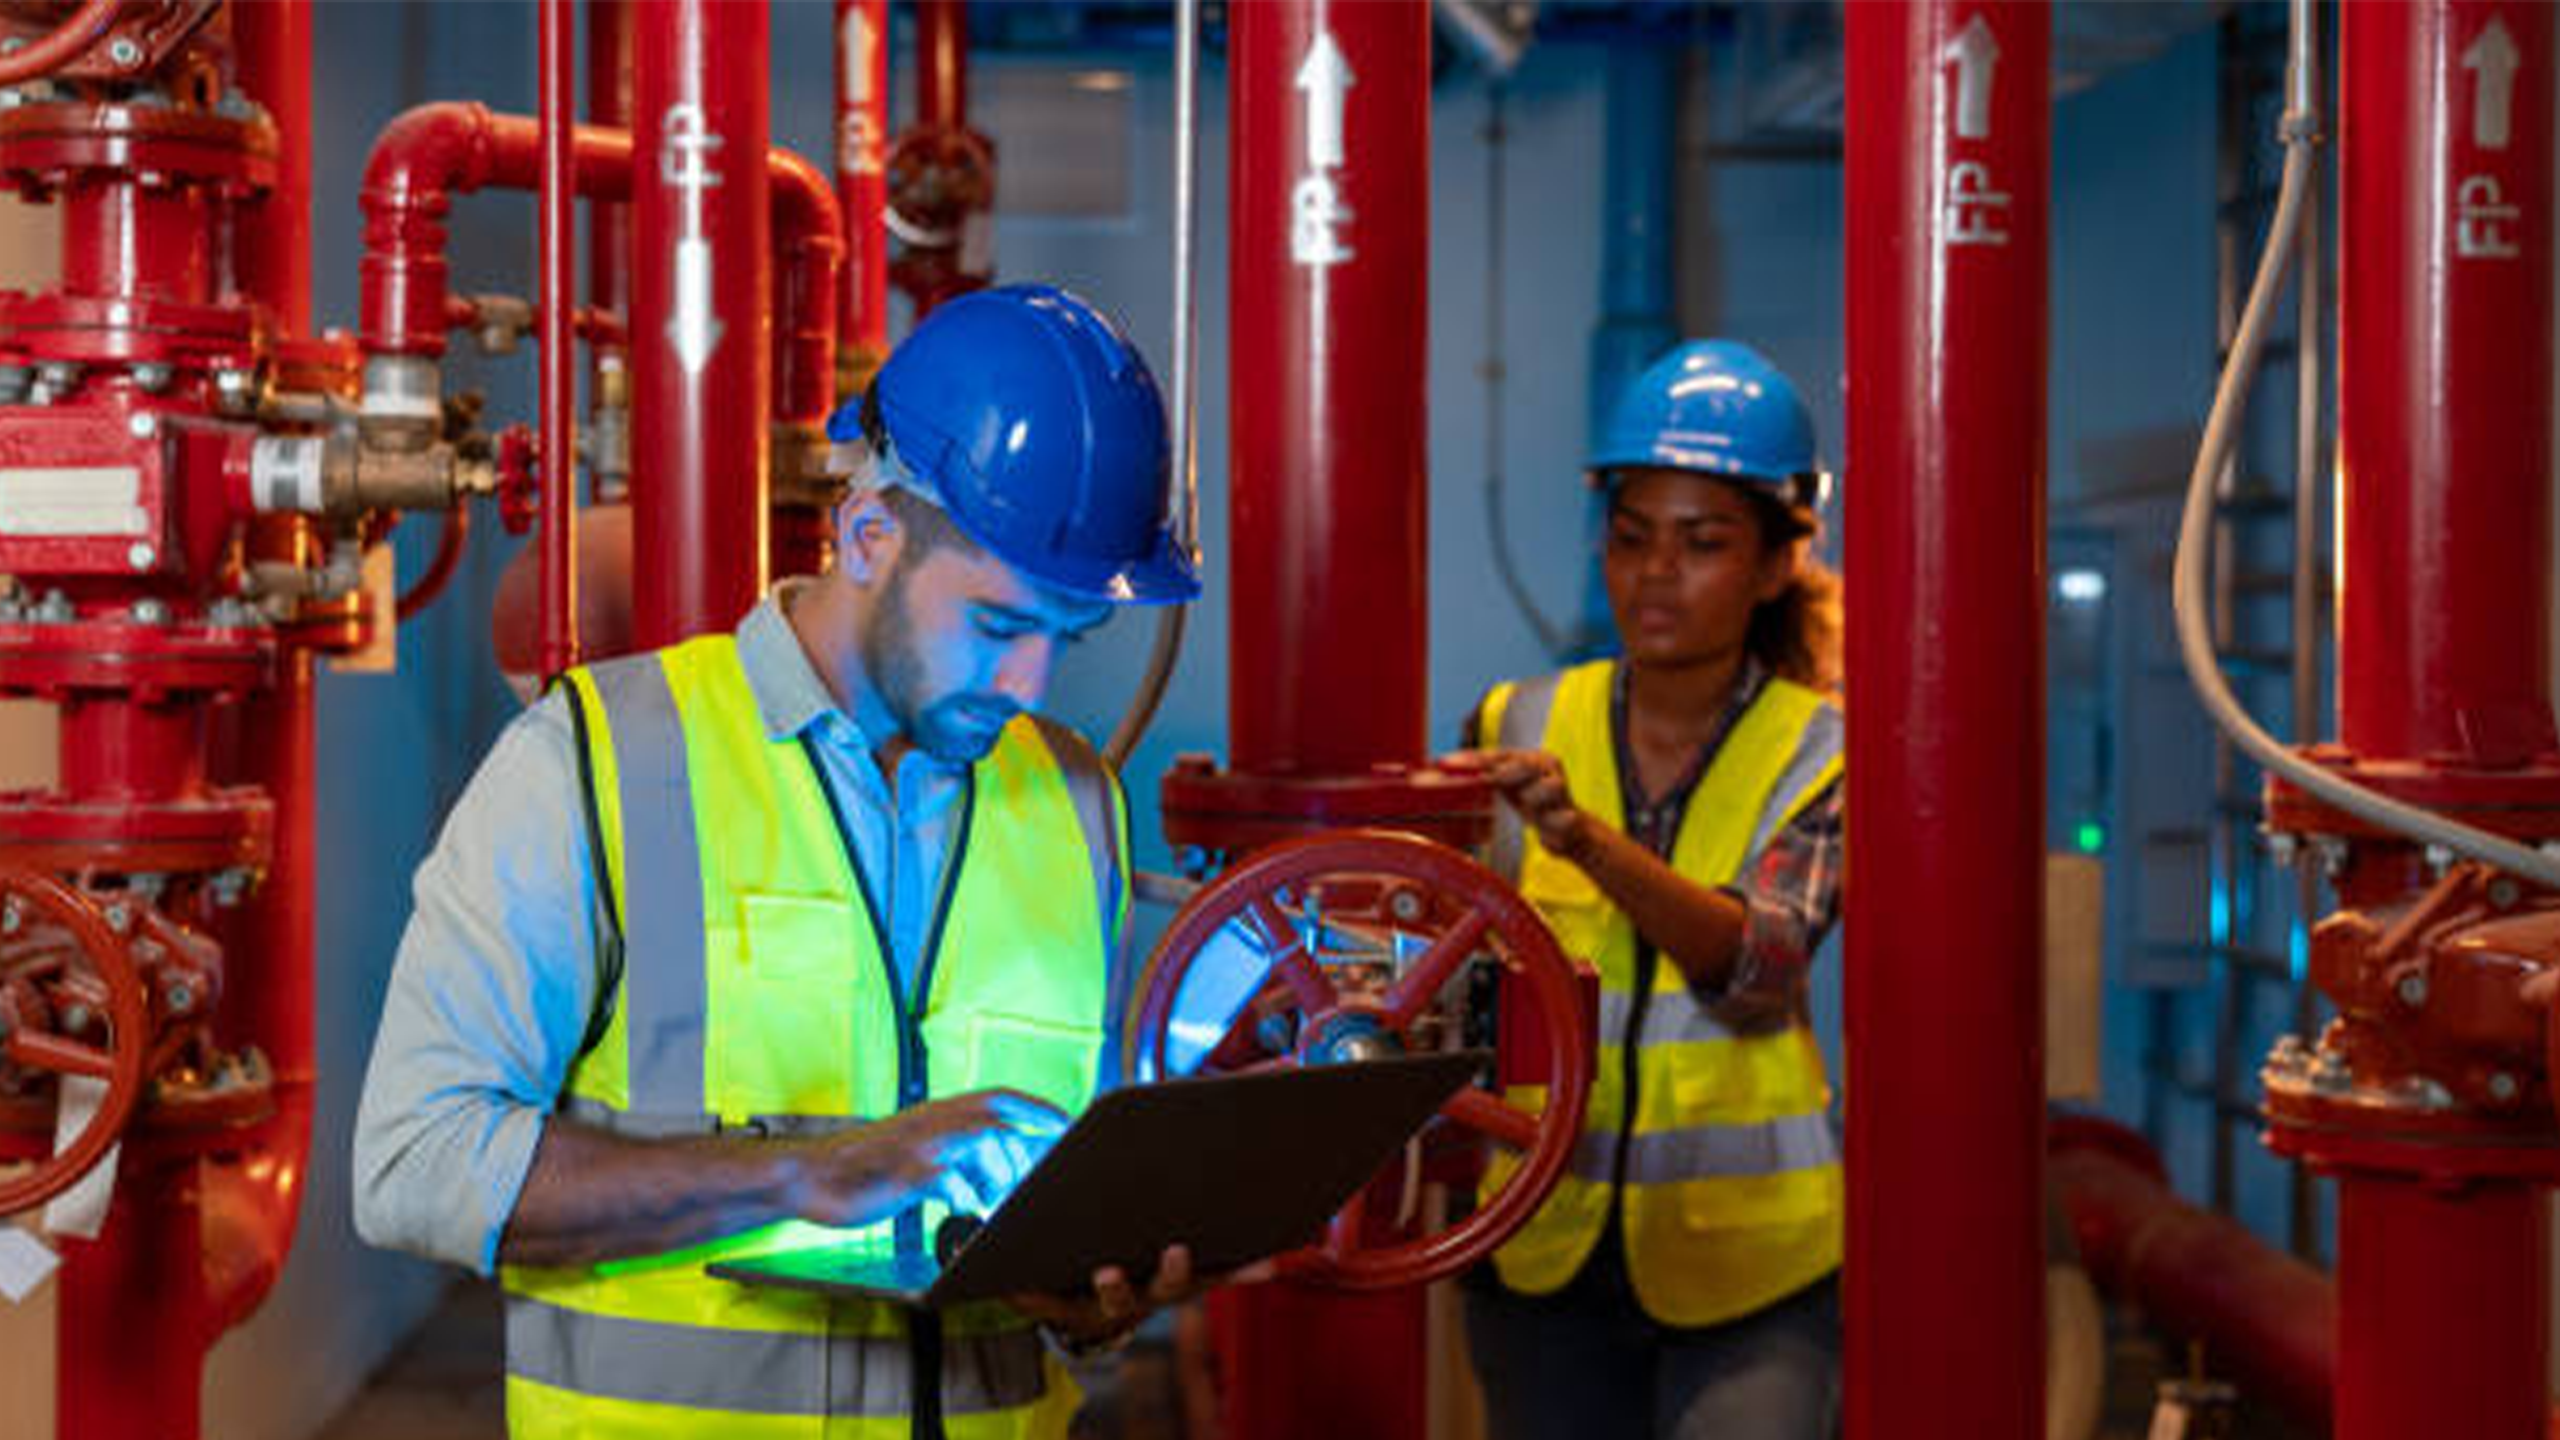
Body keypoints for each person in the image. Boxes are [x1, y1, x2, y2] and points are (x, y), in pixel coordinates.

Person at [354, 284, 1233, 1439]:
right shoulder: (598, 762)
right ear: (869, 536)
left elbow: (1049, 1185)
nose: (1030, 687)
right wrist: (801, 1174)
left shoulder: (1073, 801)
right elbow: (413, 1167)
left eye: (1066, 639)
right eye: (1000, 626)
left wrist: (1087, 1293)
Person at [1458, 340, 1847, 1439]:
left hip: (1753, 1266)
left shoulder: (1820, 752)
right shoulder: (1515, 722)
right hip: (1540, 1243)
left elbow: (1757, 967)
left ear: (1774, 566)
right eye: (1632, 538)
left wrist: (1585, 841)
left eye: (1702, 542)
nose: (1656, 572)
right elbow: (1445, 957)